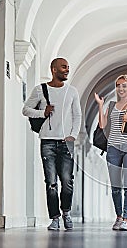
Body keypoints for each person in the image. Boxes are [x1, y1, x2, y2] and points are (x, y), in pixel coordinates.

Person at [22, 57, 82, 230]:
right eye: (63, 67)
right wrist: (42, 113)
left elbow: (77, 115)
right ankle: (55, 218)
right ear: (53, 69)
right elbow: (25, 109)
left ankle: (66, 213)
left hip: (66, 142)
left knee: (67, 180)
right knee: (51, 182)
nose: (67, 70)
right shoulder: (40, 90)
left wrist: (73, 135)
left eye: (68, 67)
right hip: (47, 141)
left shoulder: (72, 91)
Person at [94, 74, 127, 231]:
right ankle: (118, 217)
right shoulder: (112, 104)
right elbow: (102, 125)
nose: (121, 88)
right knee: (116, 186)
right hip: (113, 149)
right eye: (118, 85)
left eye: (124, 85)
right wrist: (101, 105)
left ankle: (126, 219)